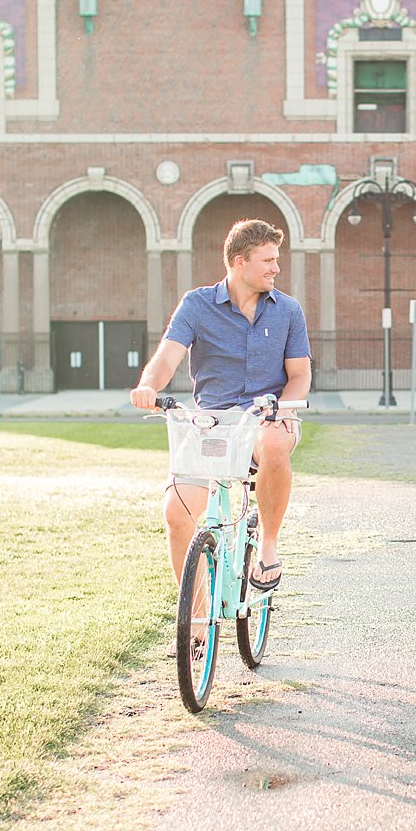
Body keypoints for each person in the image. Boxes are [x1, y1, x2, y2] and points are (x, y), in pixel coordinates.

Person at [130, 218, 311, 615]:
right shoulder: (197, 305)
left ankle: (267, 545)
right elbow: (166, 357)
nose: (275, 268)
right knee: (177, 515)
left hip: (268, 415)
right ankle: (196, 616)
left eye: (276, 260)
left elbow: (299, 376)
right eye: (267, 260)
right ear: (239, 262)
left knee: (275, 441)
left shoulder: (288, 312)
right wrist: (149, 386)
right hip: (213, 423)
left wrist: (282, 407)